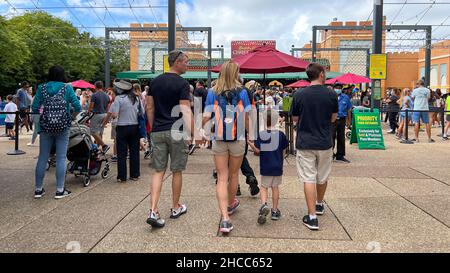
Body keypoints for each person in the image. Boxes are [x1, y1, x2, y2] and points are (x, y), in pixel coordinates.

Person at [146, 50, 194, 229]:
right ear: (178, 62)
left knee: (158, 171)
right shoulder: (182, 83)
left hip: (158, 130)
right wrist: (193, 133)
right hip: (177, 131)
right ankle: (175, 207)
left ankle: (153, 210)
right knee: (177, 170)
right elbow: (185, 109)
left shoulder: (155, 81)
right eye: (186, 62)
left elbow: (149, 106)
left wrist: (153, 127)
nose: (188, 65)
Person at [202, 60, 252, 234]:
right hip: (237, 138)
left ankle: (225, 219)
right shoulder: (243, 92)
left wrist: (202, 132)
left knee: (222, 177)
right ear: (236, 73)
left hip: (219, 138)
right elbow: (246, 117)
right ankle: (231, 204)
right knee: (233, 174)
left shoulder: (212, 92)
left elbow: (207, 116)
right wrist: (251, 135)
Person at [290, 63, 338, 231]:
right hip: (325, 142)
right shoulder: (331, 94)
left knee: (308, 178)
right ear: (321, 74)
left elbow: (295, 119)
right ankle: (319, 204)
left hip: (305, 142)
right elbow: (333, 118)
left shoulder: (299, 94)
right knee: (322, 177)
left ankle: (311, 217)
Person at [32, 65, 81, 199]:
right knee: (60, 157)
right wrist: (71, 117)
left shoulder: (41, 88)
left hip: (46, 127)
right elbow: (78, 106)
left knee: (43, 157)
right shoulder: (67, 88)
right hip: (62, 127)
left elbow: (35, 107)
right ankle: (60, 190)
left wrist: (38, 125)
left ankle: (38, 189)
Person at [247, 109, 288, 225]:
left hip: (266, 166)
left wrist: (250, 143)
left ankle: (264, 205)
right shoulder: (281, 135)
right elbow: (284, 151)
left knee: (264, 187)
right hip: (277, 166)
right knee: (275, 187)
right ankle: (275, 211)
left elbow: (257, 150)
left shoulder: (262, 135)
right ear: (276, 120)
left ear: (264, 120)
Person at [103, 80, 141, 183]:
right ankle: (135, 174)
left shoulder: (119, 99)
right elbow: (141, 112)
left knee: (122, 153)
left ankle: (122, 176)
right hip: (134, 126)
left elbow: (115, 115)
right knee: (134, 152)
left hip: (122, 127)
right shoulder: (136, 98)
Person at [331, 84, 352, 163]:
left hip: (342, 119)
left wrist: (349, 120)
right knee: (331, 137)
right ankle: (330, 155)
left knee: (341, 137)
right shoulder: (330, 96)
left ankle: (340, 155)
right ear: (333, 89)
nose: (338, 89)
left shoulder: (346, 97)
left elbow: (349, 109)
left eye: (339, 88)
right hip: (332, 120)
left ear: (342, 89)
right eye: (336, 88)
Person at [89, 81, 110, 152]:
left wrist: (88, 113)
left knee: (93, 131)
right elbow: (107, 108)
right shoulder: (107, 95)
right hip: (104, 114)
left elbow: (91, 107)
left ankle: (104, 145)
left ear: (95, 86)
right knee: (100, 132)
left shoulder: (94, 95)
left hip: (96, 114)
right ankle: (98, 149)